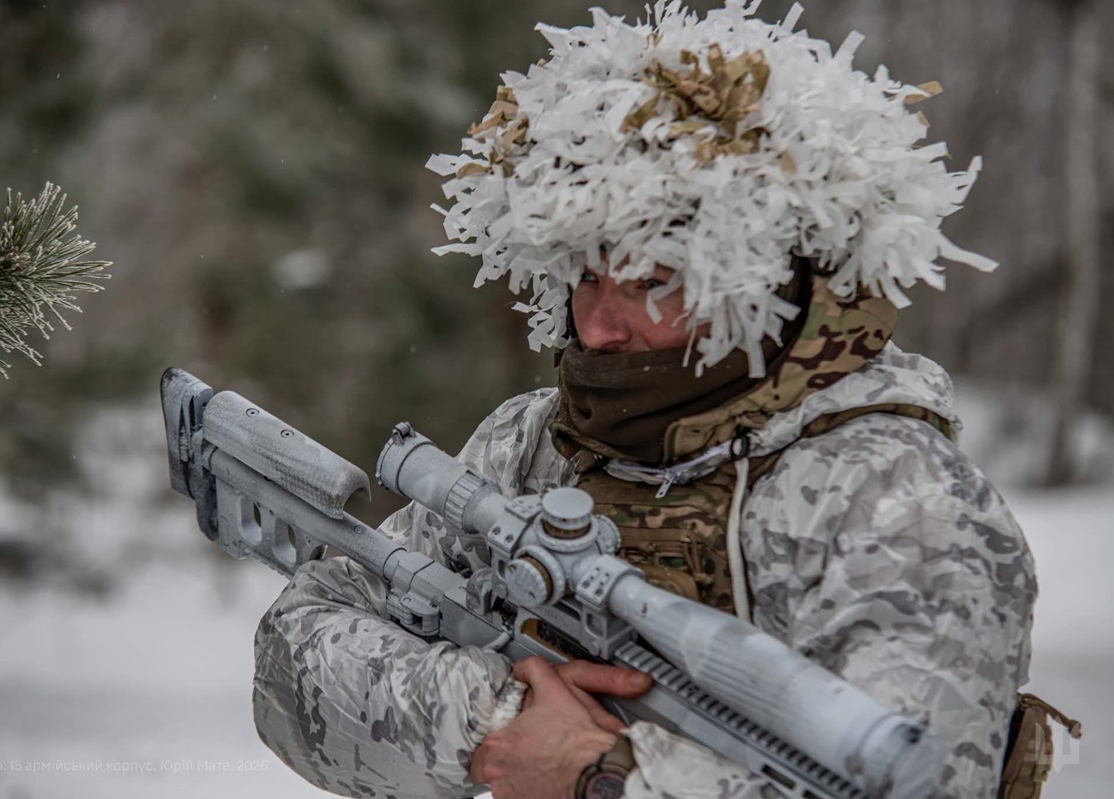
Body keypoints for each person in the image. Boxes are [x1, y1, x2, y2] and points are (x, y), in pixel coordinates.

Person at [251, 3, 1056, 798]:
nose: (599, 327)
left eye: (654, 281)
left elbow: (919, 779)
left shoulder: (901, 501)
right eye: (586, 276)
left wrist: (599, 777)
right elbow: (299, 652)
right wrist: (495, 723)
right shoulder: (533, 442)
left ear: (770, 281)